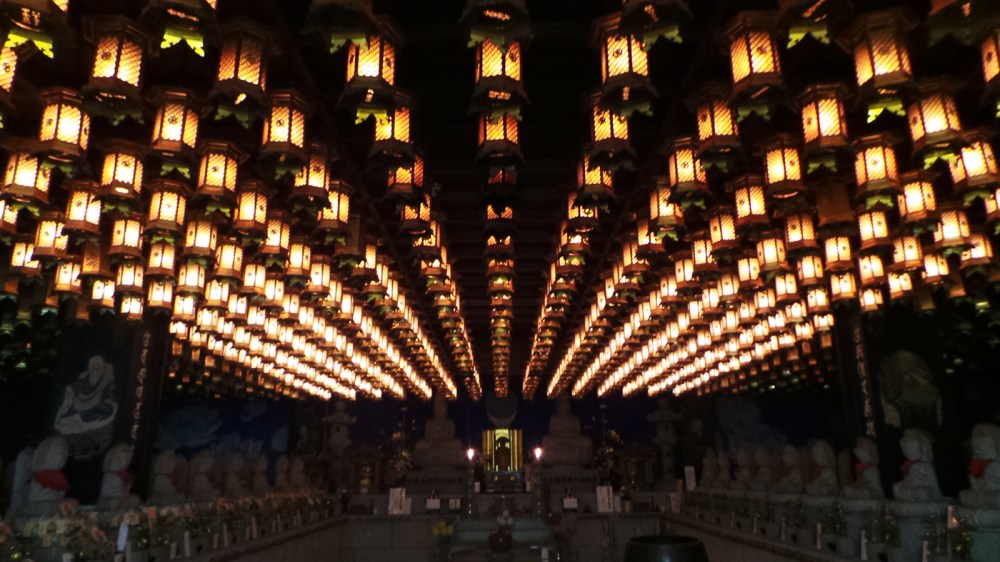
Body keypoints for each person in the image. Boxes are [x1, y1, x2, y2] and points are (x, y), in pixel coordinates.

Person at [54, 356, 117, 435]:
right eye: (93, 365)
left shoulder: (106, 384)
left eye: (99, 365)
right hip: (74, 415)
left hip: (90, 416)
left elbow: (108, 401)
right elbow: (66, 405)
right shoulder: (76, 386)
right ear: (89, 367)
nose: (96, 367)